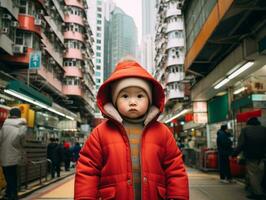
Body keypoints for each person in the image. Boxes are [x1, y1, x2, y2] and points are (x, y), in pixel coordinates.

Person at [75, 59, 189, 199]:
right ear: (114, 100)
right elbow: (88, 171)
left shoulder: (163, 132)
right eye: (125, 96)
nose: (133, 102)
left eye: (140, 96)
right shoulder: (100, 133)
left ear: (150, 99)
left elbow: (175, 170)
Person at [233, 117, 266, 199]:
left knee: (253, 175)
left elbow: (241, 144)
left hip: (251, 156)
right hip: (263, 156)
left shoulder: (245, 130)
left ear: (248, 123)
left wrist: (234, 154)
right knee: (260, 174)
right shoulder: (264, 129)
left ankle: (258, 194)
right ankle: (259, 190)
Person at [0, 107, 27, 200]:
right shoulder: (22, 127)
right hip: (15, 155)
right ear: (19, 115)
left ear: (10, 115)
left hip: (3, 155)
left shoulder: (4, 126)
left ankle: (9, 194)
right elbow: (23, 143)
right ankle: (13, 195)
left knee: (7, 176)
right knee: (14, 176)